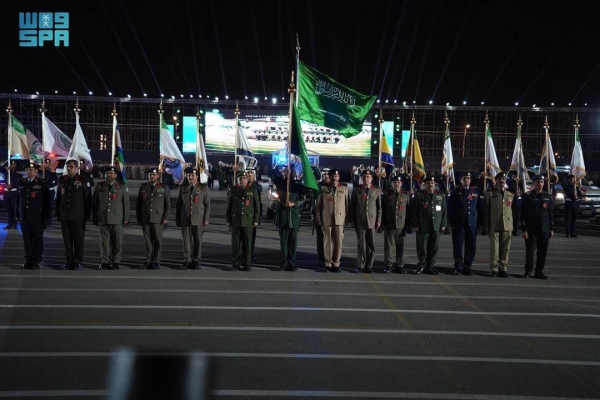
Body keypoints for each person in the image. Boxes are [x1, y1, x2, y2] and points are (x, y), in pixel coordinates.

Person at [56, 159, 92, 270]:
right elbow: (59, 198)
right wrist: (58, 213)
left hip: (78, 215)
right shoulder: (62, 180)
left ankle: (77, 261)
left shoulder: (83, 180)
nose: (69, 168)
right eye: (68, 166)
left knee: (78, 240)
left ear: (77, 168)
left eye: (72, 166)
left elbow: (88, 199)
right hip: (65, 215)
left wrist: (87, 215)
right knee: (67, 240)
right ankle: (69, 260)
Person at [92, 166, 130, 271]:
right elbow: (95, 203)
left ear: (116, 175)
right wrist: (95, 217)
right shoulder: (100, 186)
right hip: (103, 218)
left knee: (117, 242)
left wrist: (126, 218)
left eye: (111, 173)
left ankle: (116, 261)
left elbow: (126, 203)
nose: (109, 175)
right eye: (107, 173)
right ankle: (105, 262)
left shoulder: (121, 186)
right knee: (104, 242)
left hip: (117, 219)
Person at [269, 168, 306, 271]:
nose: (290, 174)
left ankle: (292, 262)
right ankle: (284, 262)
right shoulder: (280, 182)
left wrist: (294, 204)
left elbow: (303, 198)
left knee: (293, 243)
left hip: (293, 217)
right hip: (283, 216)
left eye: (292, 172)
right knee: (284, 242)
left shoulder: (298, 185)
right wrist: (282, 169)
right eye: (289, 172)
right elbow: (271, 172)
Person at [16, 162, 51, 269]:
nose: (29, 172)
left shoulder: (41, 183)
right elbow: (18, 200)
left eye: (31, 170)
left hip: (37, 217)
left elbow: (47, 202)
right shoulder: (22, 182)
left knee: (37, 240)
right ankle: (28, 260)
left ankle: (36, 261)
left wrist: (46, 218)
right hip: (25, 217)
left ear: (36, 171)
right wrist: (18, 214)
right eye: (27, 170)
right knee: (27, 240)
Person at [175, 167, 210, 270]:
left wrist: (206, 219)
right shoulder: (183, 187)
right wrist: (178, 219)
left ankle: (196, 260)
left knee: (198, 241)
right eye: (189, 175)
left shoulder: (203, 188)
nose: (190, 177)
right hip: (185, 218)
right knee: (186, 241)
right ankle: (186, 260)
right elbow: (179, 205)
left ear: (197, 177)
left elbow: (207, 205)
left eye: (193, 176)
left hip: (198, 219)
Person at [411, 175, 447, 275]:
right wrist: (416, 224)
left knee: (434, 247)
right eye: (428, 183)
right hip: (423, 226)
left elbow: (444, 211)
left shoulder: (440, 195)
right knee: (422, 247)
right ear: (424, 185)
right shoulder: (419, 195)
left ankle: (431, 266)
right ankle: (422, 265)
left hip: (436, 225)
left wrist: (443, 224)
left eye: (432, 183)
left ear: (434, 184)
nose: (430, 185)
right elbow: (414, 211)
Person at [136, 167, 170, 269]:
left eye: (154, 175)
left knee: (158, 241)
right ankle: (148, 261)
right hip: (146, 219)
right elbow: (138, 204)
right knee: (148, 242)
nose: (152, 176)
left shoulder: (163, 187)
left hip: (158, 219)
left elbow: (167, 205)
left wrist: (165, 218)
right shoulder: (143, 187)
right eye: (150, 174)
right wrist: (139, 218)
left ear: (158, 176)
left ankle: (156, 261)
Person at [521, 174, 554, 279]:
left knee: (543, 251)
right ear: (534, 183)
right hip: (532, 229)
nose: (540, 184)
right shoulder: (528, 196)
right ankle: (528, 270)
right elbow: (523, 214)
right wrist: (524, 229)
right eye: (538, 182)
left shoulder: (547, 197)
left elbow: (550, 214)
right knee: (530, 251)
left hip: (544, 228)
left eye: (542, 182)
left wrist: (552, 229)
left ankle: (539, 270)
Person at [316, 169, 349, 273]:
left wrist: (347, 219)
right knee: (328, 242)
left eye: (337, 176)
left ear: (339, 177)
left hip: (340, 219)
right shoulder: (323, 189)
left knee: (338, 242)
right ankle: (328, 263)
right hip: (327, 218)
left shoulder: (344, 188)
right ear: (329, 177)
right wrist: (319, 219)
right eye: (333, 176)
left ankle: (336, 263)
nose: (335, 177)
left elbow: (347, 205)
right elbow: (319, 206)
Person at [226, 171, 260, 271]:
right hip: (235, 220)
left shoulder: (253, 191)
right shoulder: (233, 190)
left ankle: (246, 263)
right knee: (235, 244)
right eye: (240, 179)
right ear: (237, 180)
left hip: (248, 220)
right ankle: (235, 263)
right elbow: (229, 206)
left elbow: (257, 207)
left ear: (247, 180)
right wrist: (228, 220)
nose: (242, 180)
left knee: (247, 244)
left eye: (244, 178)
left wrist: (256, 220)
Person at [448, 171, 480, 275]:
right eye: (464, 178)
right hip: (459, 223)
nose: (467, 180)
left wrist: (480, 223)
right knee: (458, 246)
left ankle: (467, 266)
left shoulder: (475, 191)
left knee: (471, 247)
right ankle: (458, 266)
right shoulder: (456, 192)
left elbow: (479, 208)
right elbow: (450, 208)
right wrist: (451, 222)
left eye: (468, 178)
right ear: (460, 180)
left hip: (471, 223)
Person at [483, 172, 514, 278]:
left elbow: (513, 210)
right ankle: (494, 268)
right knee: (494, 248)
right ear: (496, 180)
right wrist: (486, 226)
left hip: (507, 224)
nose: (502, 181)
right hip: (494, 224)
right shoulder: (490, 193)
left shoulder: (510, 194)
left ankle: (503, 268)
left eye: (503, 179)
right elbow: (486, 211)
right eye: (500, 179)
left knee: (506, 248)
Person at [349, 170, 381, 273]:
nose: (366, 179)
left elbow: (379, 208)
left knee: (371, 245)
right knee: (361, 245)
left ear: (371, 179)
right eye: (364, 177)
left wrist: (378, 221)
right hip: (360, 221)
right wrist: (353, 220)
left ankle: (369, 266)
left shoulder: (376, 191)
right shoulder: (357, 190)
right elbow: (352, 206)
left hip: (372, 221)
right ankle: (360, 265)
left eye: (368, 177)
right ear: (361, 178)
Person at [381, 175, 410, 273]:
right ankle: (388, 265)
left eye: (398, 182)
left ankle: (399, 265)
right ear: (391, 184)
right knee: (389, 247)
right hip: (390, 224)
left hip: (401, 225)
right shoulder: (387, 194)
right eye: (394, 183)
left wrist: (408, 225)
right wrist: (382, 224)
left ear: (401, 184)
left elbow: (409, 210)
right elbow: (383, 209)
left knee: (401, 247)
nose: (396, 184)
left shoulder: (406, 195)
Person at [314, 171, 330, 264]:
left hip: (329, 215)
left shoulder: (332, 186)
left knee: (329, 238)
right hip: (320, 215)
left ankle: (328, 255)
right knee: (320, 237)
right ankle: (321, 256)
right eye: (324, 175)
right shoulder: (317, 186)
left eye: (328, 175)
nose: (326, 177)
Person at [246, 167, 262, 262]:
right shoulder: (242, 184)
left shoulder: (257, 187)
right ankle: (242, 254)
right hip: (244, 215)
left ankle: (250, 254)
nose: (250, 174)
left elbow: (259, 203)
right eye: (248, 173)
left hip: (252, 216)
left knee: (251, 237)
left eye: (251, 172)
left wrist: (257, 217)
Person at [2, 161, 20, 229]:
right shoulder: (6, 172)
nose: (12, 165)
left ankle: (14, 224)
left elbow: (18, 182)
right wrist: (6, 166)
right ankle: (9, 223)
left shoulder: (18, 174)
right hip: (6, 192)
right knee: (8, 209)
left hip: (13, 192)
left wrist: (12, 185)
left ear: (15, 165)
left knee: (14, 209)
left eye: (13, 164)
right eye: (11, 164)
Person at [507, 171, 522, 236]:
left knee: (516, 217)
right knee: (510, 216)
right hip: (511, 201)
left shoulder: (520, 183)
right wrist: (514, 181)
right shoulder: (511, 182)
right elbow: (509, 183)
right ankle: (509, 229)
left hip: (517, 202)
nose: (515, 177)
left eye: (516, 176)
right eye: (514, 176)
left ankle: (514, 230)